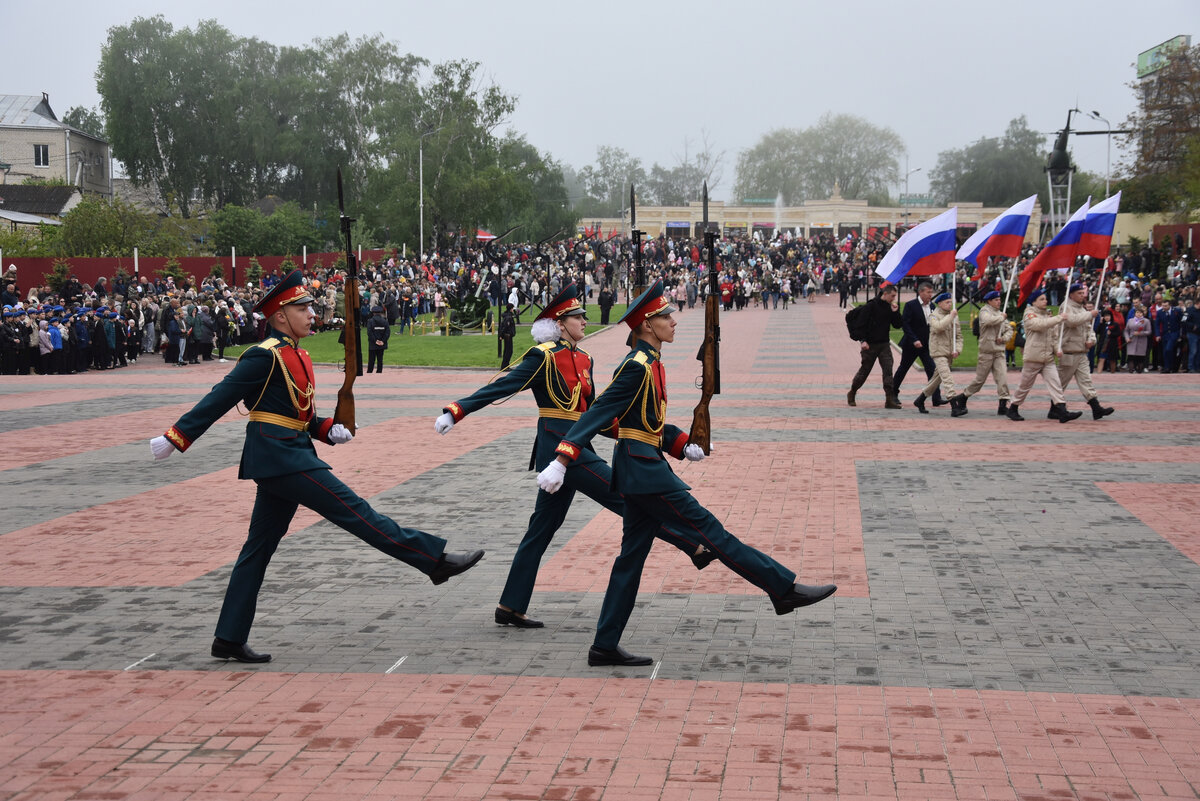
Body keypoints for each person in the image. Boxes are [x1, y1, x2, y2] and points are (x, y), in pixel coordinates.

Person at [149, 270, 483, 663]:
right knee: (357, 512)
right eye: (302, 308)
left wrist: (327, 429)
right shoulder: (263, 355)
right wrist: (177, 437)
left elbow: (299, 413)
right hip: (282, 458)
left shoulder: (297, 354)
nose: (311, 313)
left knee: (257, 549)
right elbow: (220, 397)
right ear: (278, 315)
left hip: (288, 454)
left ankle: (229, 636)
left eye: (310, 306)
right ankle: (434, 561)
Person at [537, 281, 836, 667]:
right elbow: (596, 414)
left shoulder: (651, 364)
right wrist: (563, 458)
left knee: (630, 560)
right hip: (645, 474)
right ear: (646, 325)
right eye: (665, 316)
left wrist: (680, 444)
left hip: (641, 469)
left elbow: (646, 422)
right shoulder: (637, 367)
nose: (674, 321)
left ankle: (604, 645)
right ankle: (782, 589)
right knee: (713, 533)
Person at [435, 282, 713, 630]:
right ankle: (693, 544)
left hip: (578, 446)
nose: (584, 320)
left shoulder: (585, 358)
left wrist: (671, 441)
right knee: (626, 498)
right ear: (558, 322)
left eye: (583, 315)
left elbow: (600, 414)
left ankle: (510, 606)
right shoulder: (543, 356)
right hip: (558, 449)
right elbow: (500, 387)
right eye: (576, 316)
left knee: (541, 529)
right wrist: (456, 410)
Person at [1006, 289, 1082, 422]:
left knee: (1056, 384)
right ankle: (1013, 407)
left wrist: (1057, 349)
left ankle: (1062, 411)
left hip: (1047, 358)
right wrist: (1059, 318)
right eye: (1041, 299)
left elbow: (1053, 336)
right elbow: (1038, 325)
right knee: (1024, 386)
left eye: (1045, 299)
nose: (1045, 301)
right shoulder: (1029, 314)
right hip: (1033, 357)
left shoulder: (1048, 316)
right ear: (1034, 302)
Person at [1057, 284, 1114, 420]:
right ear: (1071, 295)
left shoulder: (1081, 308)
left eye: (1083, 293)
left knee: (1086, 381)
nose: (1083, 296)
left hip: (1081, 351)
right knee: (1061, 383)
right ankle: (1055, 408)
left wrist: (1092, 340)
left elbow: (1089, 329)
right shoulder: (1066, 307)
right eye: (1079, 293)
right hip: (1069, 350)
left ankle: (1096, 408)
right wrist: (1089, 314)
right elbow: (1071, 321)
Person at [847, 283, 903, 409]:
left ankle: (889, 399)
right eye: (892, 296)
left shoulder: (890, 307)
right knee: (864, 371)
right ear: (885, 294)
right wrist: (863, 341)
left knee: (888, 371)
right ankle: (852, 392)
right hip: (870, 345)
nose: (894, 298)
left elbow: (898, 325)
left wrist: (895, 312)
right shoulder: (871, 306)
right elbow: (861, 324)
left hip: (884, 344)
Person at [912, 292, 966, 416]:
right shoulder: (933, 316)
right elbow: (938, 327)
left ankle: (920, 400)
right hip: (938, 352)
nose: (950, 304)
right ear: (940, 304)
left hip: (949, 353)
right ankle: (954, 406)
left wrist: (957, 349)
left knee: (937, 379)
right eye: (947, 302)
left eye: (950, 302)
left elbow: (959, 336)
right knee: (947, 377)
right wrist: (951, 316)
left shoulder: (953, 316)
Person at [960, 291, 1013, 415]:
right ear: (989, 301)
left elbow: (1009, 330)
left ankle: (1003, 403)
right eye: (996, 300)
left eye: (999, 300)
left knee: (1002, 378)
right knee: (979, 380)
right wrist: (1002, 318)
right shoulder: (985, 311)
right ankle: (964, 396)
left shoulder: (1001, 313)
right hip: (987, 351)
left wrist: (1004, 338)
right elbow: (988, 321)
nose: (999, 302)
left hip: (999, 352)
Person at [892, 282, 944, 407]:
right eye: (928, 292)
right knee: (903, 369)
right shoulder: (911, 305)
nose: (930, 295)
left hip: (926, 345)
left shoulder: (932, 306)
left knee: (932, 370)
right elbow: (906, 324)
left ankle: (936, 397)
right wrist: (914, 339)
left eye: (931, 292)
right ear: (921, 292)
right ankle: (892, 393)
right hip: (911, 345)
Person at [366, 304, 389, 373]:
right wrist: (383, 341)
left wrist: (375, 340)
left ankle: (369, 372)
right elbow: (387, 332)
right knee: (380, 359)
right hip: (382, 343)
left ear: (373, 313)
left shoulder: (370, 321)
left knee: (371, 360)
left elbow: (369, 332)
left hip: (373, 343)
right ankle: (379, 372)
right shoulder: (385, 321)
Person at [497, 302, 516, 368]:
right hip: (507, 335)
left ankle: (506, 365)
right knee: (508, 351)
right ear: (510, 309)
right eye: (512, 308)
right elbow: (505, 327)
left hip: (508, 335)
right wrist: (501, 335)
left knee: (508, 351)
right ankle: (504, 365)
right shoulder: (508, 317)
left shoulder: (508, 316)